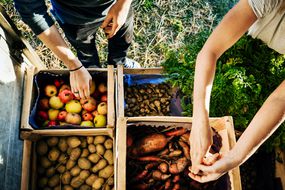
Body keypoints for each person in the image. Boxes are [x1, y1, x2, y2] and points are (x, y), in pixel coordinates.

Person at [189, 0, 285, 183]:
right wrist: (199, 118)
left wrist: (234, 158)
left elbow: (281, 99)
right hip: (258, 11)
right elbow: (210, 51)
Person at [13, 0, 140, 99]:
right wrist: (73, 65)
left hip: (116, 5)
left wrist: (123, 4)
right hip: (73, 16)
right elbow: (31, 10)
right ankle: (91, 72)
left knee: (121, 44)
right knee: (85, 52)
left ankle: (119, 63)